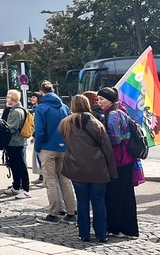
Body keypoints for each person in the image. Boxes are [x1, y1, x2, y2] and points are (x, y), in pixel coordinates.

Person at [60, 94, 117, 243]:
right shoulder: (96, 124)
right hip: (97, 167)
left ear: (72, 106)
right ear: (87, 105)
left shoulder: (65, 124)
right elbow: (107, 149)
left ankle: (83, 233)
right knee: (98, 202)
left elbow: (67, 143)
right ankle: (101, 234)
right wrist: (112, 171)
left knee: (82, 201)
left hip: (76, 167)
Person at [96, 87, 140, 238]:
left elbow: (116, 138)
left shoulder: (113, 114)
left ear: (110, 99)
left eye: (102, 99)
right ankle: (128, 228)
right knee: (125, 194)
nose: (99, 102)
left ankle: (118, 228)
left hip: (120, 159)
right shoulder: (119, 110)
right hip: (125, 158)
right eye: (98, 99)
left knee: (116, 193)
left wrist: (100, 138)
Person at [34, 81, 76, 224]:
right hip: (63, 147)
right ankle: (71, 212)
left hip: (47, 148)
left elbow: (39, 131)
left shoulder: (41, 108)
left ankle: (54, 213)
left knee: (50, 181)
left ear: (41, 92)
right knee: (66, 180)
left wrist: (37, 147)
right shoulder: (64, 107)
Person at [3, 89, 31, 199]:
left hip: (16, 142)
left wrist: (1, 126)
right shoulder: (17, 110)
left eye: (8, 97)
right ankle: (16, 187)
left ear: (12, 99)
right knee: (15, 165)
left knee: (20, 165)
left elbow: (11, 128)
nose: (6, 99)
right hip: (17, 142)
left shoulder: (16, 112)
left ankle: (25, 189)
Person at [29, 91, 44, 186]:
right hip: (36, 135)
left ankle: (43, 178)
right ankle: (41, 177)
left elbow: (39, 125)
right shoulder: (35, 108)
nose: (32, 99)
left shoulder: (39, 109)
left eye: (34, 97)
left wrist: (34, 136)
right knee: (38, 158)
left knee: (40, 157)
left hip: (40, 137)